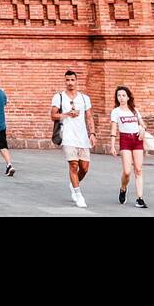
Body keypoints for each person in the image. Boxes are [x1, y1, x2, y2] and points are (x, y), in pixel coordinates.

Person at [51, 68, 96, 208]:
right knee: (74, 165)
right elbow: (53, 115)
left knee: (84, 168)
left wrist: (92, 133)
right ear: (65, 81)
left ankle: (73, 183)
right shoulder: (59, 97)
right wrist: (67, 114)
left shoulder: (84, 98)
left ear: (76, 81)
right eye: (67, 80)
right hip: (68, 136)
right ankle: (78, 194)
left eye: (72, 80)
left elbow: (89, 117)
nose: (70, 83)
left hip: (82, 137)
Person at [110, 85, 149, 208]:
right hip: (125, 140)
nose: (121, 98)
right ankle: (123, 188)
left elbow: (143, 124)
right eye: (119, 95)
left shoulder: (134, 110)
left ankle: (140, 198)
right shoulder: (115, 111)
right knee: (127, 171)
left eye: (123, 95)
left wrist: (143, 128)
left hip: (137, 140)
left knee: (138, 169)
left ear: (128, 97)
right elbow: (113, 129)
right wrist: (112, 145)